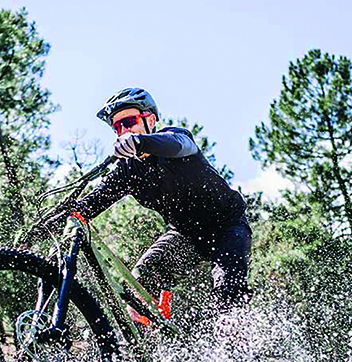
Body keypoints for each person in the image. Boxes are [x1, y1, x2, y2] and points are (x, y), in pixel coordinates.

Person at [63, 87, 252, 319]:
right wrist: (50, 224)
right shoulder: (128, 171)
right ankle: (146, 344)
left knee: (228, 293)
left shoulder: (176, 140)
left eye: (130, 121)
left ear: (150, 119)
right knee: (139, 283)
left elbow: (177, 144)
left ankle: (240, 341)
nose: (124, 131)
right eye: (117, 127)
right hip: (185, 236)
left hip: (227, 226)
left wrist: (141, 142)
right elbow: (90, 204)